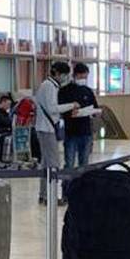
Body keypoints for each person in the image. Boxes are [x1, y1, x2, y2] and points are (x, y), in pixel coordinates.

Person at [35, 61, 79, 204]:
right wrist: (71, 105)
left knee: (46, 163)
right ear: (59, 74)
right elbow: (52, 109)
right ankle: (51, 197)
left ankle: (44, 195)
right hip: (46, 129)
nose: (66, 78)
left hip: (45, 127)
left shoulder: (49, 85)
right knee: (53, 164)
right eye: (65, 75)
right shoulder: (49, 86)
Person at [59, 62, 99, 170]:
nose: (84, 79)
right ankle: (67, 186)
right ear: (75, 75)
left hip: (85, 132)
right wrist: (70, 112)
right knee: (69, 163)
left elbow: (94, 106)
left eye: (85, 77)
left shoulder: (88, 91)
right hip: (71, 132)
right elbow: (60, 108)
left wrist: (95, 112)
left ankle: (82, 185)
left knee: (84, 163)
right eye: (82, 76)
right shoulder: (64, 90)